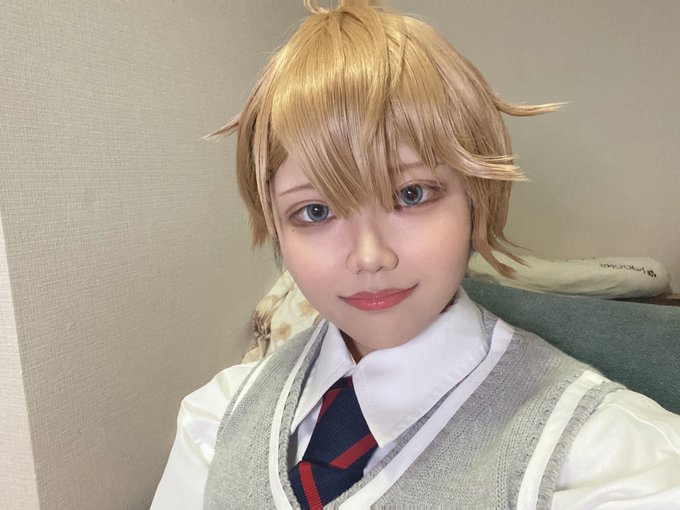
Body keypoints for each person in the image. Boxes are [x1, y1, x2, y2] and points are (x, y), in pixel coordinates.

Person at [152, 2, 680, 508]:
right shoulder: (217, 416)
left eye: (411, 194)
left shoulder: (609, 457)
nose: (369, 257)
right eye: (315, 211)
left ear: (475, 198)